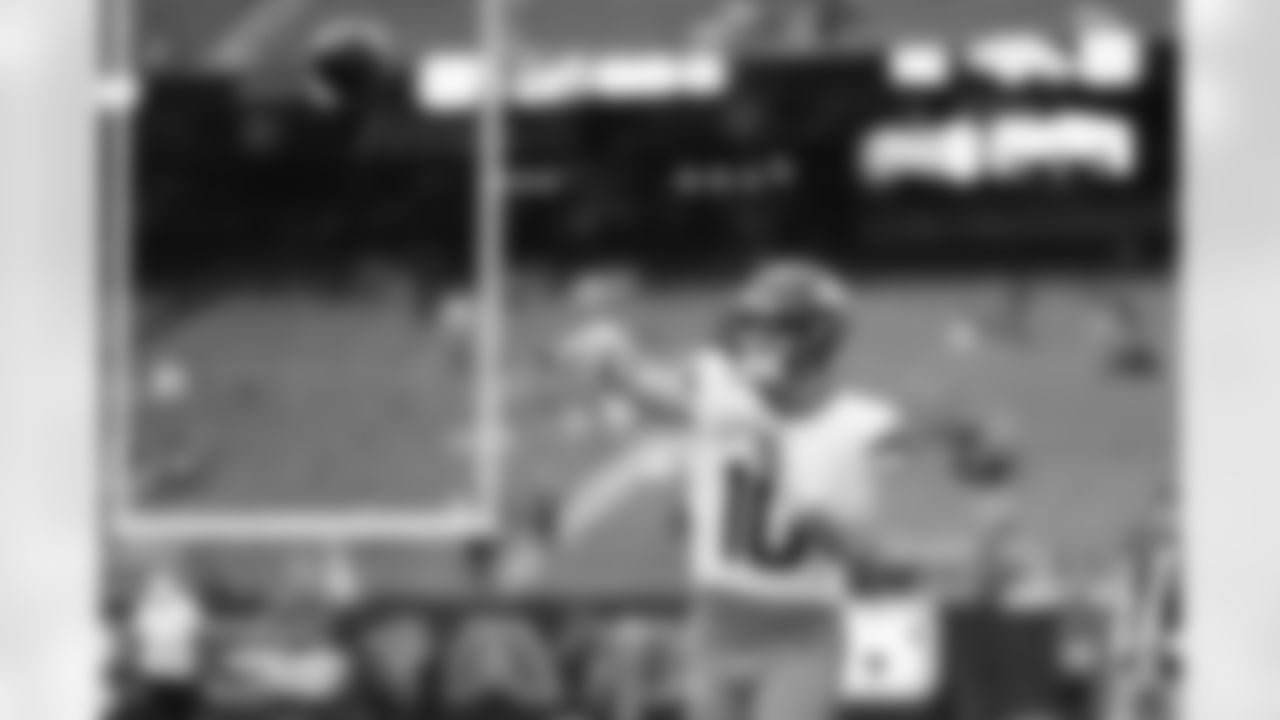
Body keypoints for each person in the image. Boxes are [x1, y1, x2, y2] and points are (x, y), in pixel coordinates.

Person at [503, 260, 1017, 720]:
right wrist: (613, 365)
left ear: (813, 341)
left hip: (802, 631)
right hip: (717, 623)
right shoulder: (722, 391)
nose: (752, 344)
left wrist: (987, 503)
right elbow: (652, 393)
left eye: (770, 333)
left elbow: (959, 464)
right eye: (753, 330)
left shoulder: (860, 427)